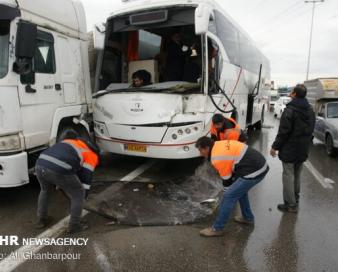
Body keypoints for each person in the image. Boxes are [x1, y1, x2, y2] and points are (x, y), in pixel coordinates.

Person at [196, 137, 269, 237]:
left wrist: (226, 193)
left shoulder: (217, 157)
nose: (200, 153)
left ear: (207, 148)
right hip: (257, 164)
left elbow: (227, 179)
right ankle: (248, 218)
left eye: (201, 150)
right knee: (239, 191)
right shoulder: (218, 144)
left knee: (228, 196)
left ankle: (217, 229)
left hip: (254, 170)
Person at [35, 131, 100, 234]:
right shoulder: (92, 155)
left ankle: (41, 220)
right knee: (78, 193)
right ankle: (74, 226)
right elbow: (86, 179)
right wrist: (84, 197)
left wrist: (61, 184)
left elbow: (71, 166)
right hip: (58, 168)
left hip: (40, 163)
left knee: (45, 190)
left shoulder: (69, 142)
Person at [270, 84, 315, 213]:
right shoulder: (310, 110)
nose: (290, 93)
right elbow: (311, 130)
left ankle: (290, 204)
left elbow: (284, 132)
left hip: (290, 149)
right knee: (297, 174)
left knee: (288, 175)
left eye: (292, 91)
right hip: (303, 148)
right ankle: (295, 198)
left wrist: (274, 147)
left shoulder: (290, 110)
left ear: (294, 93)